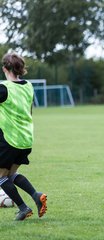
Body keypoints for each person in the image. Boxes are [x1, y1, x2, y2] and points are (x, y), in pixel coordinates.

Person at [0, 52, 47, 221]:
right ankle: (36, 195)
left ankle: (23, 208)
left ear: (5, 68)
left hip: (9, 139)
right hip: (26, 139)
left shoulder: (4, 88)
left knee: (1, 177)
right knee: (11, 175)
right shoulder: (28, 86)